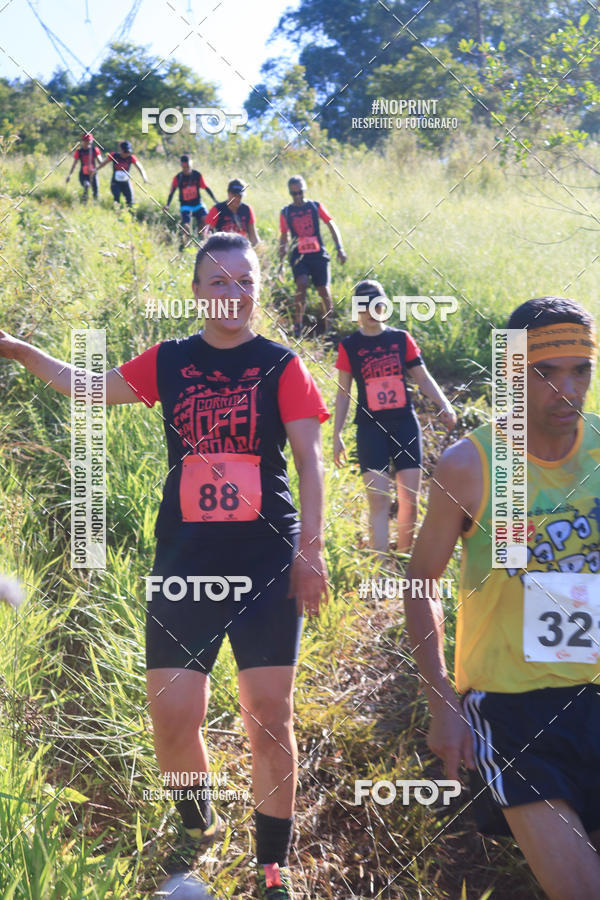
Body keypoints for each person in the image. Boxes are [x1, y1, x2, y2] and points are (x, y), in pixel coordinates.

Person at [0, 232, 329, 900]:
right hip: (186, 560)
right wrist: (17, 349)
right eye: (218, 282)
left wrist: (311, 550)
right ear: (196, 291)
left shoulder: (282, 364)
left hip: (267, 560)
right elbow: (86, 388)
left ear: (258, 288)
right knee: (174, 717)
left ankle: (273, 866)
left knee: (270, 714)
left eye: (245, 280)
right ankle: (196, 824)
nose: (234, 294)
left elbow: (310, 463)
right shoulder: (171, 361)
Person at [403, 297, 600, 900]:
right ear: (513, 372)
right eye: (546, 372)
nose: (566, 389)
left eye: (580, 370)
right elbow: (419, 582)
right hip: (512, 710)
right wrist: (441, 703)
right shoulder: (471, 465)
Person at [333, 280, 456, 559]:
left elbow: (422, 378)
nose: (370, 312)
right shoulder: (349, 346)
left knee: (408, 499)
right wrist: (336, 433)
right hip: (369, 428)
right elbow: (343, 394)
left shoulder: (401, 339)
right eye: (363, 307)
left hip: (404, 425)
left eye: (376, 305)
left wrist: (444, 404)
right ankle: (380, 566)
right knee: (378, 499)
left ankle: (403, 560)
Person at [278, 175, 346, 339]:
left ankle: (329, 328)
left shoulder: (315, 207)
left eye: (300, 192)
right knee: (301, 284)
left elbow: (331, 225)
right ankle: (297, 325)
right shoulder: (286, 212)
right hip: (299, 256)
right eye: (294, 194)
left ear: (305, 190)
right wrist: (280, 262)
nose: (298, 196)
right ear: (290, 193)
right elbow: (284, 236)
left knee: (323, 290)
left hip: (318, 255)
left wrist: (340, 248)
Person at [163, 155, 217, 250]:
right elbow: (172, 192)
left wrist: (215, 200)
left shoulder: (197, 175)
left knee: (205, 220)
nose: (186, 169)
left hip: (198, 204)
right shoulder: (178, 178)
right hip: (185, 206)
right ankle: (186, 246)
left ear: (191, 165)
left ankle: (203, 242)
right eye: (184, 167)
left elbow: (206, 188)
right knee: (186, 226)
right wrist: (167, 205)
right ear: (181, 166)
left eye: (188, 167)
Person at [204, 179, 259, 246]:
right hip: (221, 248)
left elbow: (253, 236)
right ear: (228, 193)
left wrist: (258, 250)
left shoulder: (247, 209)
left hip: (242, 247)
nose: (237, 198)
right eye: (234, 195)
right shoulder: (217, 209)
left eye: (240, 196)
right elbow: (207, 235)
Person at [96, 141, 149, 207]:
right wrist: (95, 170)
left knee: (130, 200)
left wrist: (145, 178)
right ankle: (117, 213)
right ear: (121, 150)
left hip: (126, 182)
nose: (127, 154)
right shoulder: (114, 155)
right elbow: (103, 164)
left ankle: (130, 213)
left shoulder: (131, 157)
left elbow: (140, 168)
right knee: (117, 198)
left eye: (128, 152)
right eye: (125, 152)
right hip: (115, 182)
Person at [65, 133, 103, 202]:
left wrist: (96, 168)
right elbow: (74, 164)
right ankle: (84, 202)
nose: (88, 143)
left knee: (96, 189)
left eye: (89, 142)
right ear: (82, 141)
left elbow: (101, 163)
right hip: (83, 175)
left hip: (93, 173)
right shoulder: (79, 151)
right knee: (86, 185)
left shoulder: (95, 150)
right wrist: (69, 175)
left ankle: (95, 204)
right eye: (86, 141)